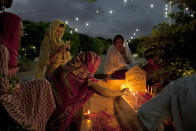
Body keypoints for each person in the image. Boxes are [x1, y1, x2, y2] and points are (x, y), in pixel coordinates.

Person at [0, 12, 56, 131]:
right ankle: (35, 124)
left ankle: (41, 121)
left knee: (43, 84)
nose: (21, 34)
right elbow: (3, 87)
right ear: (9, 28)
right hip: (7, 94)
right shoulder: (3, 49)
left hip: (12, 87)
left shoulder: (6, 48)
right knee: (42, 85)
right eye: (18, 29)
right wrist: (12, 75)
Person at [46, 51, 128, 131]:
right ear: (90, 63)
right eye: (96, 65)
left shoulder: (70, 66)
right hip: (58, 108)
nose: (95, 69)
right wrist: (121, 92)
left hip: (47, 99)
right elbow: (102, 91)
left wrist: (101, 80)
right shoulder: (84, 74)